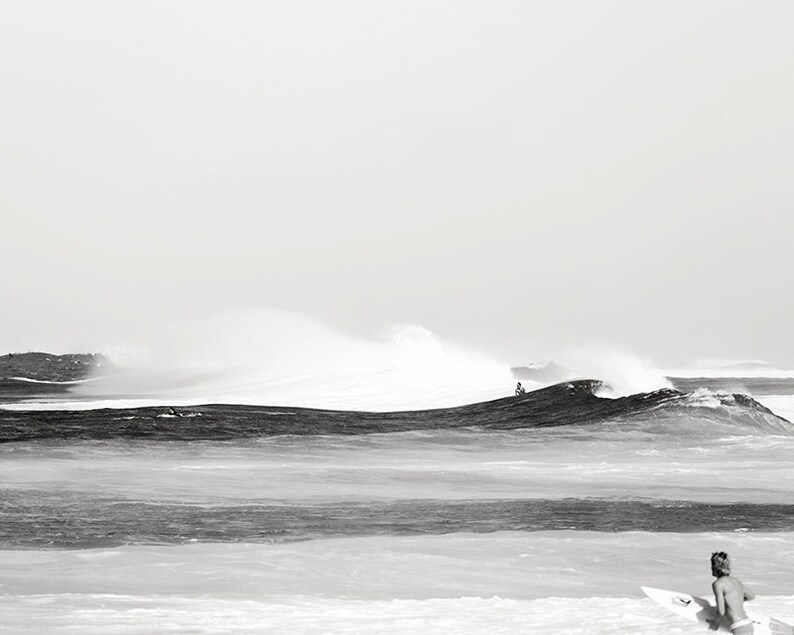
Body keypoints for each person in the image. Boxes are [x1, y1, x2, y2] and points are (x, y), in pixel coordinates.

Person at [709, 551, 756, 633]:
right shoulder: (736, 581)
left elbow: (721, 611)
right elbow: (751, 596)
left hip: (738, 626)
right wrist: (735, 602)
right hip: (748, 623)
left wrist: (713, 627)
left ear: (715, 566)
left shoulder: (718, 584)